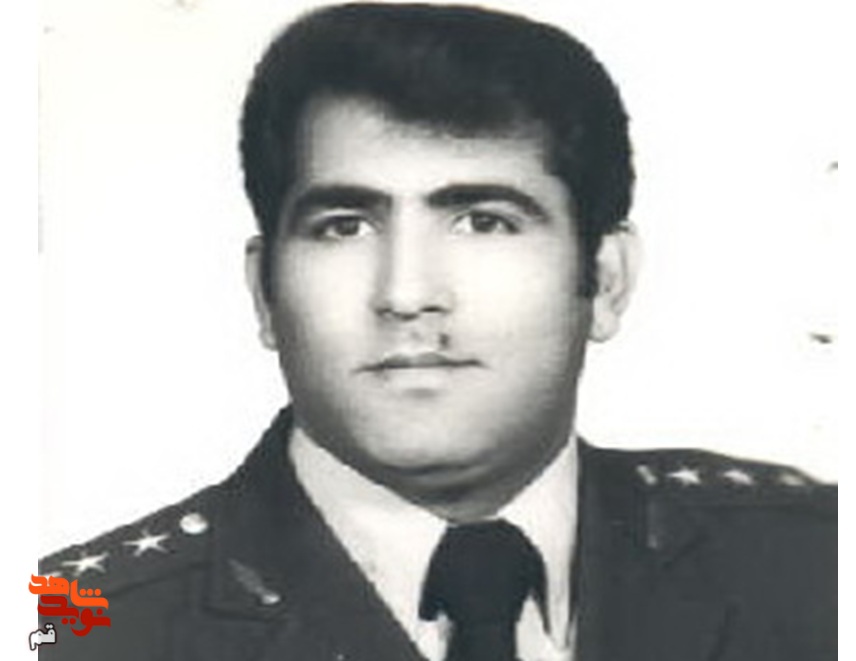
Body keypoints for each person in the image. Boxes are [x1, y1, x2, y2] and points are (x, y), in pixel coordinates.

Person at [38, 4, 836, 660]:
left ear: (606, 278)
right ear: (264, 292)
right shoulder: (71, 630)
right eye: (344, 226)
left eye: (485, 221)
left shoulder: (819, 565)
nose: (406, 294)